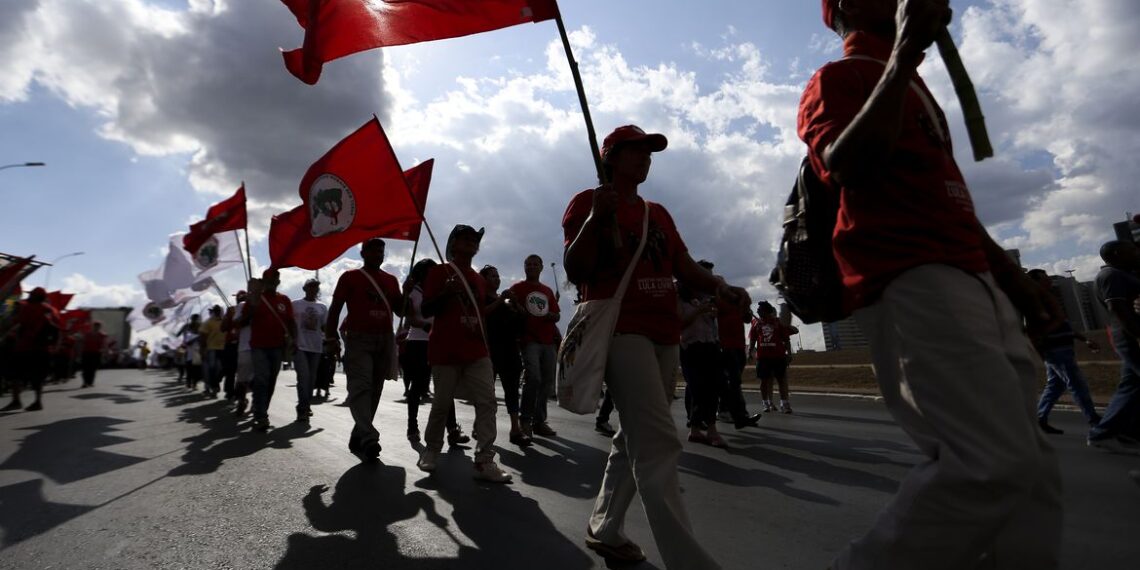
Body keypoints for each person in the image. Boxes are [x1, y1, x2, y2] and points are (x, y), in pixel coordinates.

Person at [802, 2, 1064, 568]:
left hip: (970, 275)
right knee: (989, 463)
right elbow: (847, 164)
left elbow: (950, 200)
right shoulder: (838, 78)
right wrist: (900, 59)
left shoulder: (915, 89)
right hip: (909, 273)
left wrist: (1014, 281)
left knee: (1033, 470)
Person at [563, 124, 750, 569]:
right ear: (611, 157)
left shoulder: (657, 213)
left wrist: (719, 286)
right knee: (661, 442)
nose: (646, 158)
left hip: (665, 335)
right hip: (621, 332)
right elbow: (576, 268)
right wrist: (595, 219)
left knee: (637, 437)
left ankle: (605, 527)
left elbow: (682, 265)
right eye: (636, 151)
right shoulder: (588, 203)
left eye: (650, 152)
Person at [416, 225, 512, 483]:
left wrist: (498, 303)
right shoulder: (439, 272)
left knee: (488, 402)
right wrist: (445, 294)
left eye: (475, 239)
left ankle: (484, 460)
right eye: (465, 238)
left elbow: (480, 313)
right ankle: (431, 450)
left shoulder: (479, 280)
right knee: (442, 403)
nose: (471, 242)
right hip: (445, 349)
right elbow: (426, 310)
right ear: (453, 243)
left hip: (477, 349)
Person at [325, 239, 403, 461]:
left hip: (384, 339)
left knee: (375, 390)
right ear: (363, 253)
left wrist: (406, 293)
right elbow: (336, 309)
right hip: (359, 339)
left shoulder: (391, 280)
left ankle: (359, 431)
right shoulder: (350, 277)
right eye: (374, 249)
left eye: (382, 250)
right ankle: (369, 436)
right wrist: (330, 338)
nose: (379, 253)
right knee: (361, 387)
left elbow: (400, 309)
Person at [1026, 269, 1101, 433]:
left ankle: (1039, 419)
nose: (1048, 279)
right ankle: (1095, 422)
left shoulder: (1048, 299)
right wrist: (1042, 353)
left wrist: (1084, 339)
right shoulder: (1034, 301)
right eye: (1044, 277)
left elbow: (1064, 325)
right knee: (1077, 384)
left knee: (1055, 386)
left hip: (1062, 349)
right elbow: (1032, 331)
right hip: (1055, 351)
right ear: (1036, 281)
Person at [1087, 240, 1140, 453]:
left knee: (1132, 385)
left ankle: (1119, 431)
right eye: (1133, 249)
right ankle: (1104, 433)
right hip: (1130, 337)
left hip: (1131, 336)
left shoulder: (1125, 273)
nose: (1137, 252)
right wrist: (1137, 334)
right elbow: (1117, 308)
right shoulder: (1111, 275)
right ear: (1117, 253)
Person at [510, 254, 562, 438]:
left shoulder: (547, 291)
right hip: (528, 340)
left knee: (547, 382)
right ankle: (525, 420)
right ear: (524, 267)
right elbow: (511, 311)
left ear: (541, 267)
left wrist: (550, 316)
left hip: (548, 342)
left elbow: (557, 315)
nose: (531, 267)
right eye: (528, 264)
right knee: (533, 379)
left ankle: (539, 422)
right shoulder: (517, 288)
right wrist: (516, 308)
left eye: (534, 264)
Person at [238, 269, 296, 432]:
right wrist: (252, 303)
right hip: (258, 346)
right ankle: (260, 415)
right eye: (267, 279)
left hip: (278, 346)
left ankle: (261, 410)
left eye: (274, 279)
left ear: (278, 281)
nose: (271, 282)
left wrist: (294, 340)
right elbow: (243, 321)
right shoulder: (255, 299)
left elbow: (291, 322)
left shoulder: (284, 299)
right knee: (262, 378)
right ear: (263, 281)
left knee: (270, 381)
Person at [480, 264, 531, 446]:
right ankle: (482, 426)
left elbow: (523, 317)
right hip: (489, 351)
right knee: (487, 393)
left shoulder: (508, 303)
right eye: (492, 276)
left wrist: (515, 303)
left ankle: (515, 430)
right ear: (483, 279)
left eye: (497, 276)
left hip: (510, 351)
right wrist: (501, 300)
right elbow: (481, 314)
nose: (497, 279)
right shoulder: (481, 298)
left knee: (511, 391)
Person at [678, 264, 727, 448]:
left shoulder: (707, 296)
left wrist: (712, 312)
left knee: (713, 386)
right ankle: (708, 430)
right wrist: (699, 310)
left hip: (710, 344)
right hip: (690, 346)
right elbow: (680, 323)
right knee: (698, 388)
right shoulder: (680, 296)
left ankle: (698, 429)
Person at [1, 287, 59, 411]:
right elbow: (57, 329)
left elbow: (14, 322)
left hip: (24, 347)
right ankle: (38, 401)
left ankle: (16, 401)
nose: (29, 297)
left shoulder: (27, 308)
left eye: (31, 295)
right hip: (44, 348)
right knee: (38, 376)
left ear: (35, 296)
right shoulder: (52, 310)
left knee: (15, 374)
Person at [716, 287, 762, 427]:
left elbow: (748, 319)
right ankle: (740, 415)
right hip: (726, 347)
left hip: (739, 346)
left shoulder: (737, 306)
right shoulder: (720, 304)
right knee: (734, 382)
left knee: (733, 382)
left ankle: (726, 411)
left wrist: (745, 306)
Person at [748, 301, 798, 413]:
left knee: (781, 380)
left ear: (766, 311)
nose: (757, 311)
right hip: (762, 357)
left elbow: (786, 339)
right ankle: (766, 403)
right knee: (764, 381)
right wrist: (750, 351)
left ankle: (784, 404)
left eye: (760, 309)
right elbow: (753, 339)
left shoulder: (778, 322)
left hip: (778, 356)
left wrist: (789, 353)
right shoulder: (756, 323)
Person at [292, 279, 327, 424]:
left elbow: (325, 327)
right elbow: (289, 323)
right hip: (300, 346)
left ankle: (305, 405)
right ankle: (302, 409)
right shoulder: (295, 304)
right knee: (303, 377)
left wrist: (332, 341)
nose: (313, 290)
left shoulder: (322, 307)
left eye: (315, 288)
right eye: (310, 287)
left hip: (316, 347)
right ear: (304, 288)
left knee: (311, 380)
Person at [199, 305, 226, 399]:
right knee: (212, 368)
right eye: (216, 310)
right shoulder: (208, 322)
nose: (217, 312)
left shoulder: (224, 321)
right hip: (212, 349)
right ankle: (214, 388)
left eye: (219, 310)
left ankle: (215, 385)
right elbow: (203, 336)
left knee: (221, 369)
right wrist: (203, 349)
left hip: (223, 349)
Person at [79, 321, 109, 388]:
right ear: (93, 326)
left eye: (98, 326)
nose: (96, 327)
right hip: (86, 352)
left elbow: (105, 344)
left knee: (93, 368)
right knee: (85, 368)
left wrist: (106, 352)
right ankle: (85, 382)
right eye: (95, 326)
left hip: (96, 353)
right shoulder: (87, 334)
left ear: (100, 327)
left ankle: (90, 382)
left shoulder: (102, 335)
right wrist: (79, 352)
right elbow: (82, 343)